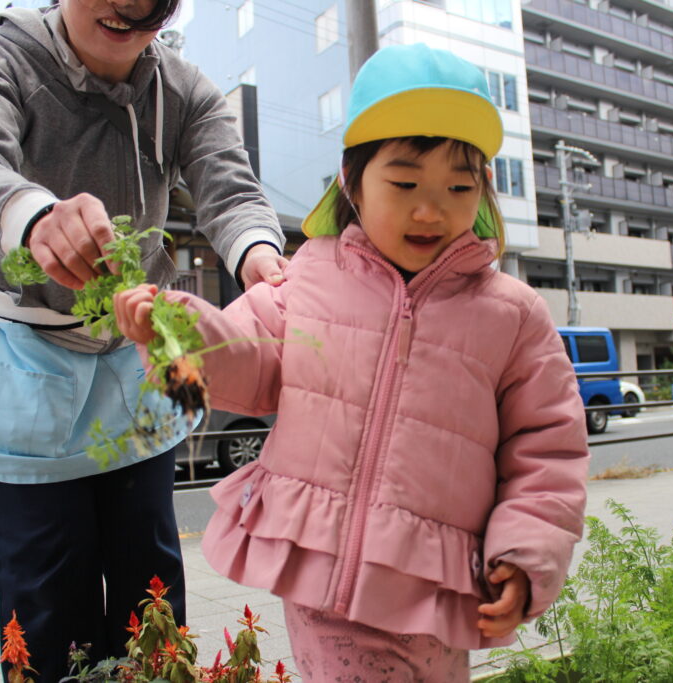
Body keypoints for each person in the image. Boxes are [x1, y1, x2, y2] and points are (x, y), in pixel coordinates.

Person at [115, 44, 589, 681]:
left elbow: (548, 450)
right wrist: (173, 333)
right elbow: (242, 366)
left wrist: (527, 556)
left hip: (435, 586)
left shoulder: (512, 314)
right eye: (404, 183)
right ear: (352, 183)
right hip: (322, 575)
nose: (432, 208)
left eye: (458, 185)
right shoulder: (308, 278)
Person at [0, 0, 287, 680]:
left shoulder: (184, 91)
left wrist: (259, 254)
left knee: (151, 586)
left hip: (134, 353)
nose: (127, 8)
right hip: (21, 349)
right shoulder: (1, 59)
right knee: (46, 595)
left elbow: (230, 192)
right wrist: (30, 215)